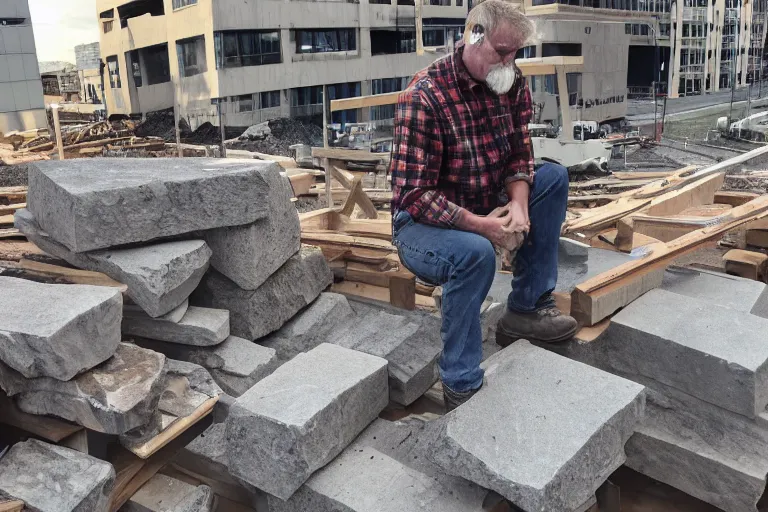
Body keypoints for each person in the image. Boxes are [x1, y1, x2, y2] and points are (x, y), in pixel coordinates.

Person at [389, 0, 578, 411]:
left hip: (479, 200)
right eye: (501, 51)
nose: (509, 62)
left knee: (553, 179)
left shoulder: (507, 82)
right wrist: (483, 227)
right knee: (474, 255)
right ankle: (459, 381)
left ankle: (527, 308)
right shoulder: (424, 97)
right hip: (421, 224)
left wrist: (519, 204)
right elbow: (414, 195)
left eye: (516, 53)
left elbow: (519, 154)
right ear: (473, 36)